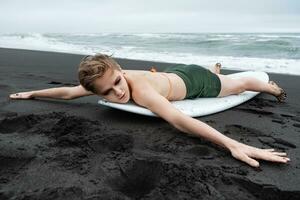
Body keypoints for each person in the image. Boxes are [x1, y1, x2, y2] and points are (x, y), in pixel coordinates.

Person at [9, 54, 289, 168]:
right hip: (174, 73)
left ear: (121, 71)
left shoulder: (140, 91)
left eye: (118, 82)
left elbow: (180, 120)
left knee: (239, 84)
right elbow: (69, 92)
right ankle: (212, 66)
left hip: (197, 83)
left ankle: (270, 88)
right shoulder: (105, 81)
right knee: (208, 74)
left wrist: (233, 145)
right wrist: (32, 92)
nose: (117, 92)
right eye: (107, 92)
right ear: (97, 92)